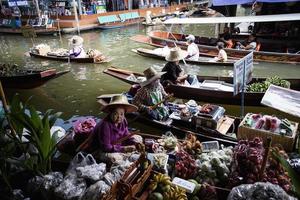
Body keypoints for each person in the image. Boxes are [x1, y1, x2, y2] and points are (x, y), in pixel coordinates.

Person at [89, 94, 142, 162]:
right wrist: (124, 149)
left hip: (116, 144)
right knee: (115, 158)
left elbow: (126, 135)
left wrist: (135, 142)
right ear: (110, 113)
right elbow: (106, 147)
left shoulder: (123, 120)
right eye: (115, 114)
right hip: (100, 150)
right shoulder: (105, 125)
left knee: (138, 138)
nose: (119, 117)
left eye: (121, 114)